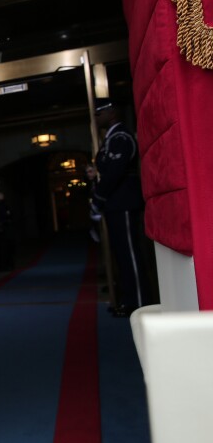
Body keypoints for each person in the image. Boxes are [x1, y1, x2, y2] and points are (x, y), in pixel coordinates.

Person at [92, 98, 149, 315]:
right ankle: (129, 300)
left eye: (99, 114)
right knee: (121, 254)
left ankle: (140, 303)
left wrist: (98, 197)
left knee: (129, 254)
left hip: (123, 201)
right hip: (115, 203)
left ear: (111, 112)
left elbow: (114, 173)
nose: (96, 118)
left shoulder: (121, 137)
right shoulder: (110, 139)